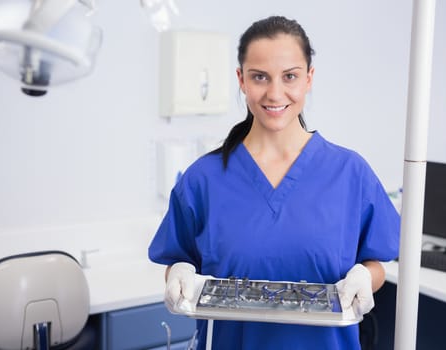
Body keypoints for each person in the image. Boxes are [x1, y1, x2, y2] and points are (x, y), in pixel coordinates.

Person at [148, 15, 400, 350]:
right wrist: (177, 272)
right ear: (241, 79)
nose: (274, 92)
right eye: (260, 77)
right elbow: (179, 261)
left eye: (290, 76)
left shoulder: (349, 172)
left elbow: (376, 263)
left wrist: (366, 277)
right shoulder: (203, 180)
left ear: (309, 78)